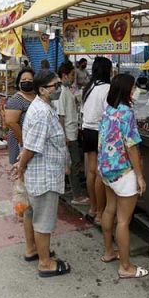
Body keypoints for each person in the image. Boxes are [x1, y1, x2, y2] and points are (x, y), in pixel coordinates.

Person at [13, 69, 72, 278]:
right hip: (44, 174)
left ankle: (33, 250)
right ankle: (45, 263)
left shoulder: (44, 107)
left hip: (39, 171)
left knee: (32, 213)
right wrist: (21, 167)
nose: (59, 89)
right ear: (42, 90)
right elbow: (31, 147)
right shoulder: (41, 113)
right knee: (43, 221)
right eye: (56, 85)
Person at [98, 74, 149, 279]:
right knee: (123, 221)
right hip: (123, 172)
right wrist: (140, 176)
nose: (135, 90)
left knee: (109, 209)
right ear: (127, 90)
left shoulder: (108, 110)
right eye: (133, 87)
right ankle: (126, 267)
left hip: (107, 169)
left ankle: (109, 252)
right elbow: (132, 147)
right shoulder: (126, 113)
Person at [81, 56, 112, 225]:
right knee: (100, 173)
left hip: (87, 131)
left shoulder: (89, 87)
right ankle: (100, 213)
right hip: (100, 132)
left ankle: (92, 208)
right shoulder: (107, 88)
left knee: (92, 171)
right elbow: (110, 113)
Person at [56, 61, 87, 205]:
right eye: (72, 74)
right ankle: (77, 196)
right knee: (74, 163)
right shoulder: (63, 92)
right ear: (64, 75)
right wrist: (64, 136)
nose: (74, 77)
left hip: (72, 132)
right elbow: (61, 116)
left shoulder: (66, 90)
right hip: (69, 134)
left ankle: (72, 190)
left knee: (72, 163)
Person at [4, 68, 35, 165]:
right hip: (19, 139)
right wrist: (22, 141)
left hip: (31, 140)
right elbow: (11, 122)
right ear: (18, 83)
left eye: (30, 80)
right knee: (20, 166)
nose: (27, 82)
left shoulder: (35, 96)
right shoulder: (16, 99)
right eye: (24, 80)